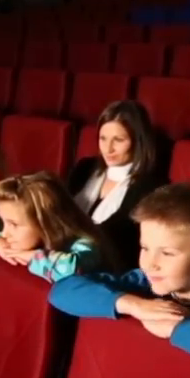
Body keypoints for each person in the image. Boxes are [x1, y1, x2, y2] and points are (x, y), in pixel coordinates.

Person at [50, 184, 190, 374]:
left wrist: (175, 327)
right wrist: (134, 305)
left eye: (167, 253)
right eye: (145, 248)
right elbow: (62, 291)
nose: (150, 263)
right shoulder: (146, 280)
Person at [66, 100, 164, 261]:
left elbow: (122, 241)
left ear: (137, 141)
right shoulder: (84, 168)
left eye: (118, 140)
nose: (108, 148)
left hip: (109, 262)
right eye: (103, 138)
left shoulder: (150, 187)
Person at [0, 172, 110, 283]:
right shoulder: (12, 227)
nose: (4, 233)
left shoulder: (87, 246)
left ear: (47, 223)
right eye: (3, 222)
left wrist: (32, 256)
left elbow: (72, 268)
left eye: (14, 225)